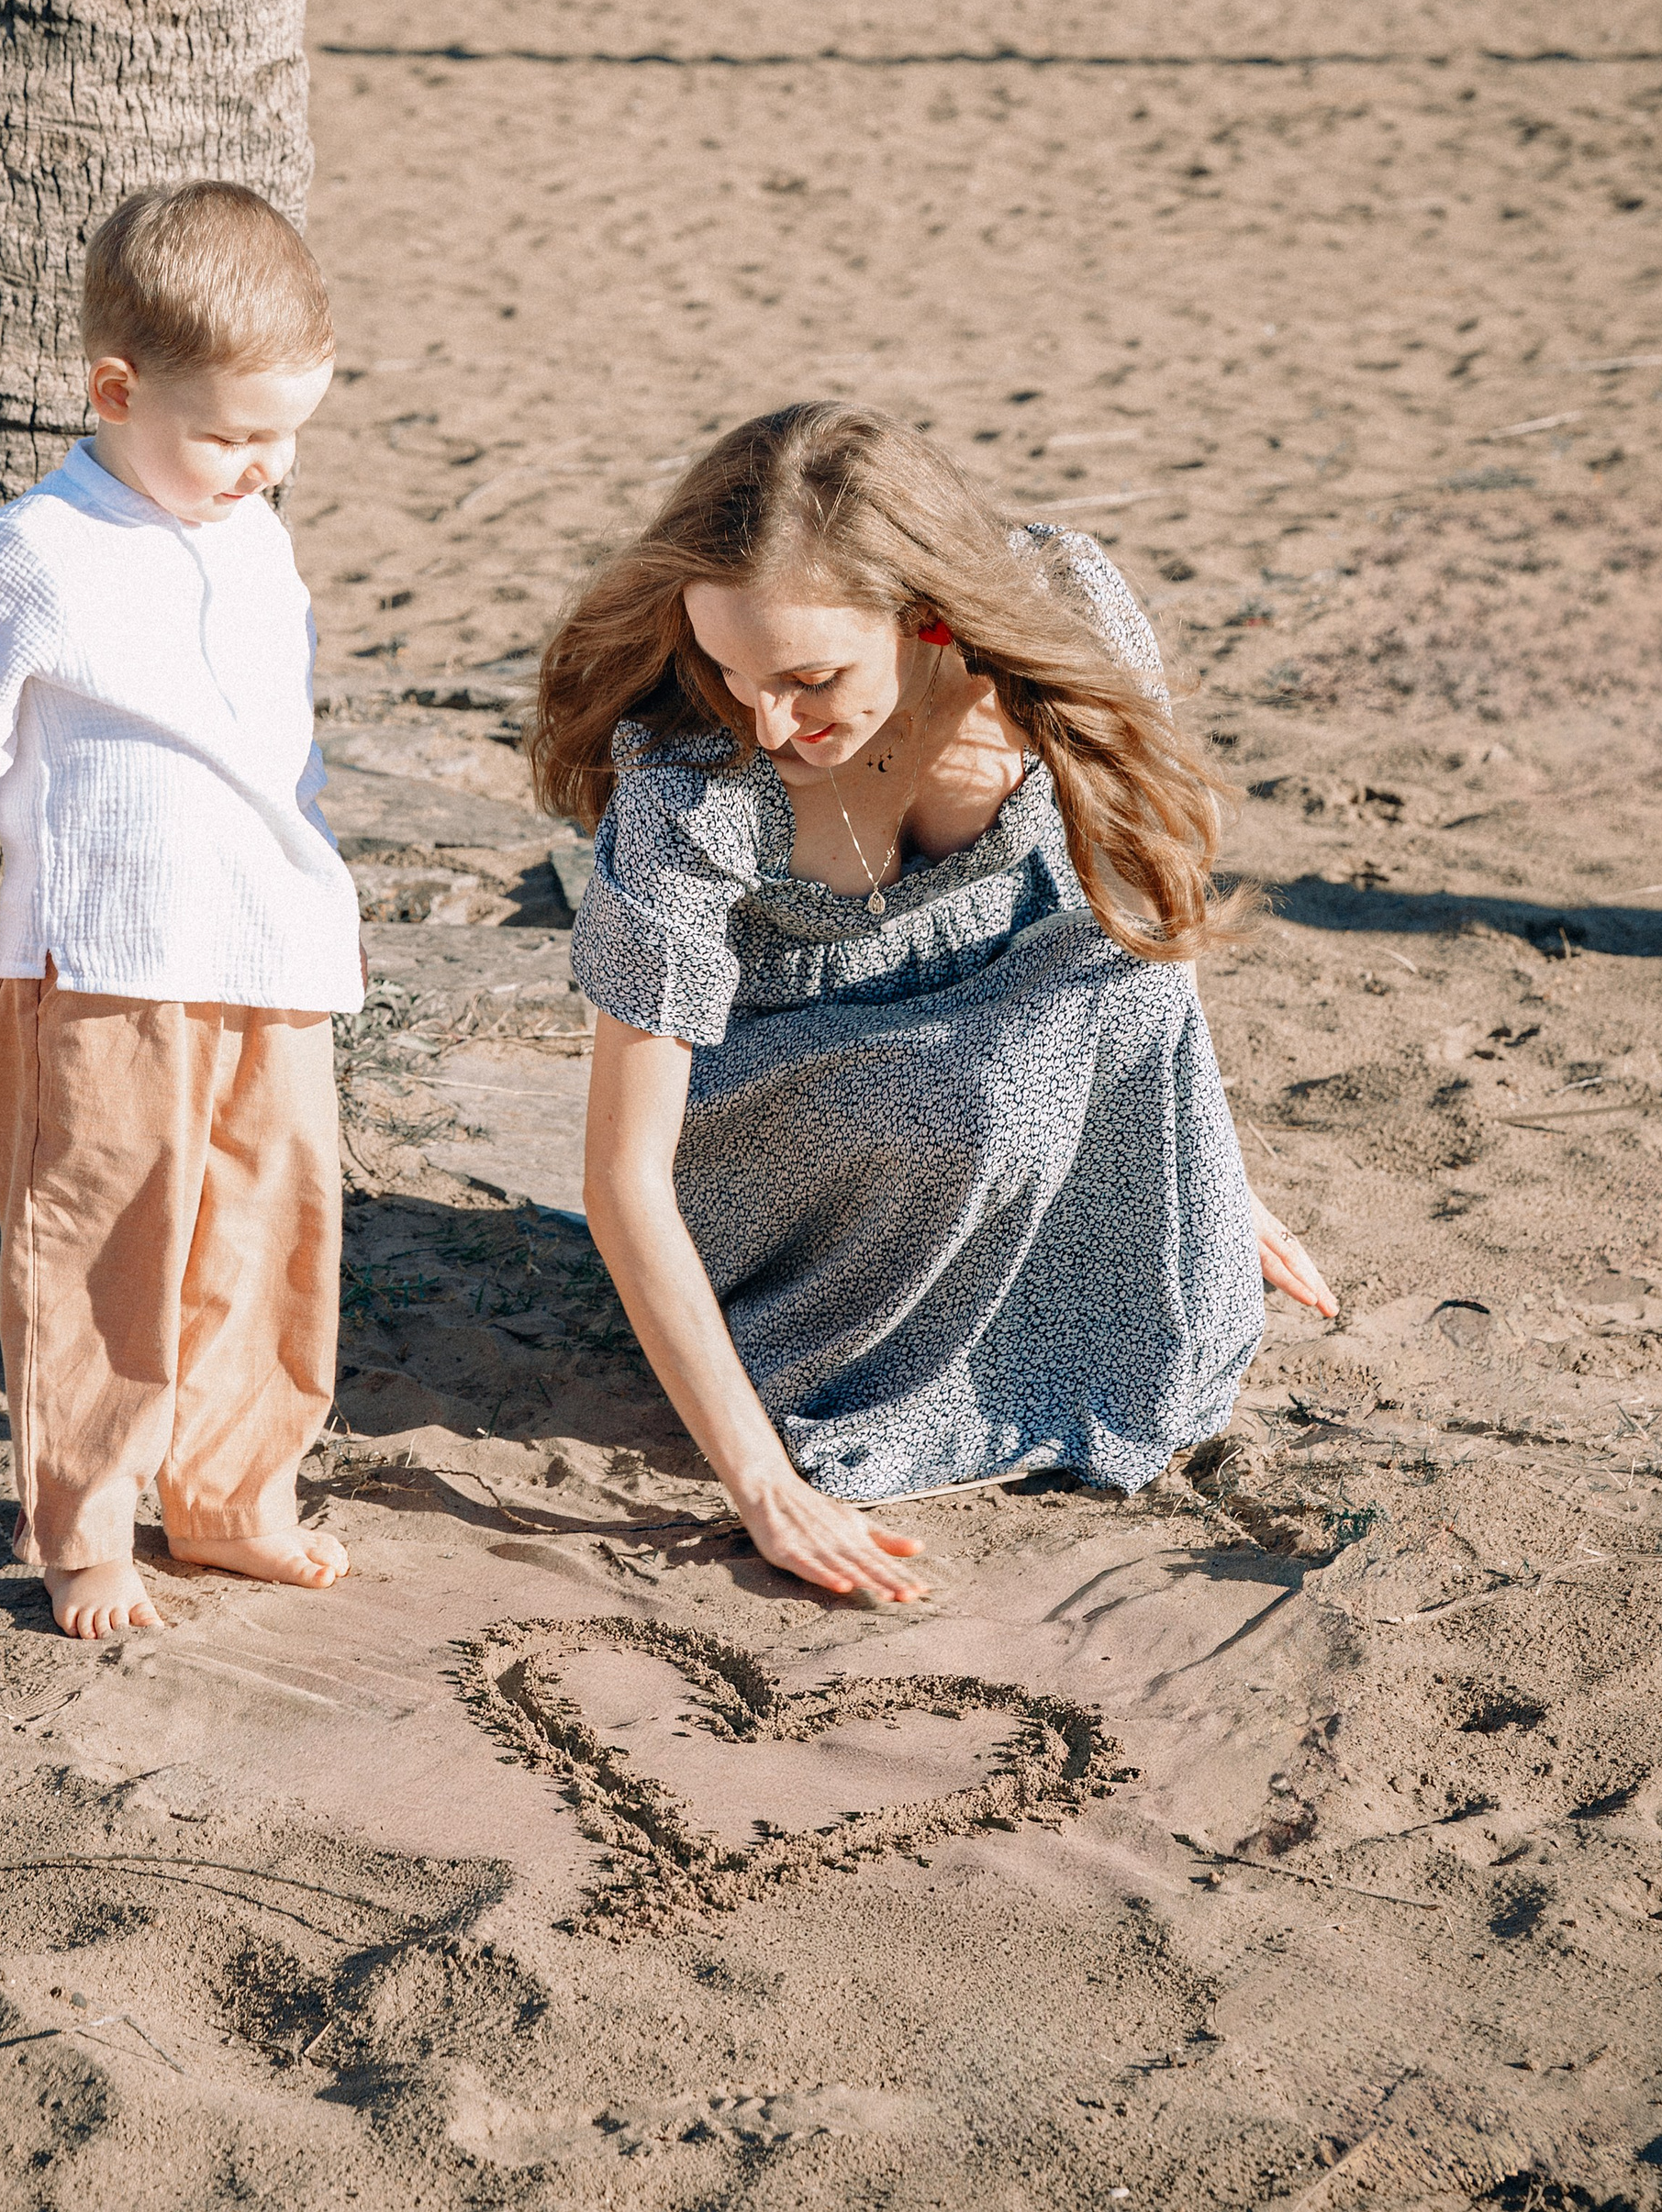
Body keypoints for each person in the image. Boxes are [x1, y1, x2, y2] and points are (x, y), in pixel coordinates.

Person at [530, 402, 1338, 1608]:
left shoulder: (1063, 611)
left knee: (1125, 968)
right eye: (731, 671)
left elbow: (1147, 913)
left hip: (986, 1070)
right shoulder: (693, 789)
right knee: (970, 1090)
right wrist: (762, 1487)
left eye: (811, 678)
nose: (768, 721)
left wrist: (1205, 1165)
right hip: (776, 1152)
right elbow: (622, 1177)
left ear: (928, 614)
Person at [0, 183, 365, 1640]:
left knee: (271, 1231)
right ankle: (90, 1526)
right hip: (105, 964)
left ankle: (236, 1496)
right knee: (99, 1246)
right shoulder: (30, 556)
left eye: (288, 432)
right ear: (116, 390)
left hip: (274, 952)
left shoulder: (255, 535)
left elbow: (276, 744)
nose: (265, 464)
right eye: (234, 433)